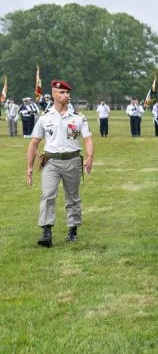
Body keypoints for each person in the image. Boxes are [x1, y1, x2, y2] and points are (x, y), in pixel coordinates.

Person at [26, 80, 94, 247]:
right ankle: (46, 232)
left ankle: (72, 230)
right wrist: (29, 167)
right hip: (51, 162)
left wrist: (90, 157)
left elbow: (87, 139)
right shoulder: (45, 118)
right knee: (48, 195)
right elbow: (34, 143)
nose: (66, 96)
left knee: (73, 197)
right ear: (54, 94)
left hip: (72, 160)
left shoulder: (79, 118)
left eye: (67, 93)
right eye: (62, 93)